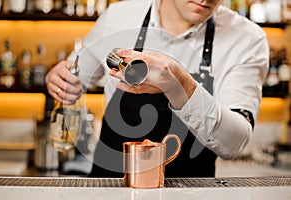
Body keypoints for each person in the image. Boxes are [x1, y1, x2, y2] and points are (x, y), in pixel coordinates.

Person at [46, 0, 269, 178]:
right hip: (110, 188)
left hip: (191, 193)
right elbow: (74, 75)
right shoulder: (118, 17)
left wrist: (181, 86)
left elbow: (234, 143)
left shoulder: (246, 39)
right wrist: (58, 78)